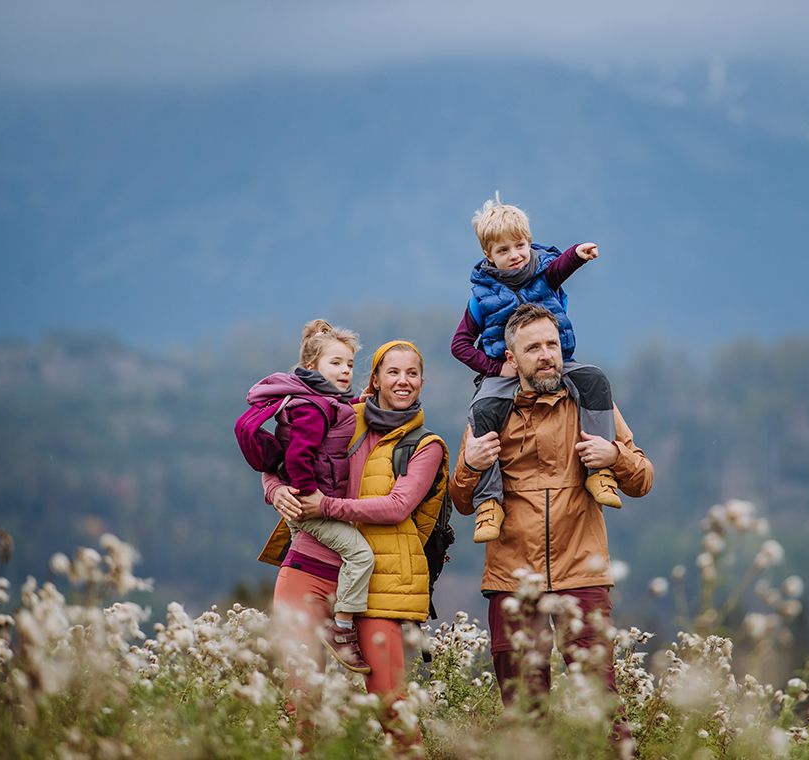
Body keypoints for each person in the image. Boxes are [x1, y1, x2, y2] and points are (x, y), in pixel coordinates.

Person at [449, 304, 653, 751]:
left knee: (600, 703)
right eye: (533, 348)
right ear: (512, 357)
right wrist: (469, 464)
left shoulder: (591, 403)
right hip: (511, 578)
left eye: (552, 345)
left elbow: (642, 479)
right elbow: (462, 502)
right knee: (524, 710)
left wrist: (613, 457)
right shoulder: (488, 411)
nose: (546, 356)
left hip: (582, 573)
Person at [259, 340, 448, 738]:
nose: (403, 381)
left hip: (377, 583)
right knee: (300, 696)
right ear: (375, 379)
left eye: (411, 373)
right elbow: (280, 457)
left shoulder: (426, 446)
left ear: (422, 382)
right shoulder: (340, 416)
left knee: (389, 701)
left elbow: (398, 506)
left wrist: (325, 506)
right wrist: (274, 489)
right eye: (392, 372)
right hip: (308, 567)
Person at [450, 194, 622, 545]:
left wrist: (578, 253)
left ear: (530, 243)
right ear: (489, 256)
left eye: (520, 245)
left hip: (557, 364)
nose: (515, 255)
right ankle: (489, 503)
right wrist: (496, 369)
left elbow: (562, 266)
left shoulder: (545, 272)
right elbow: (460, 344)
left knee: (595, 381)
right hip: (507, 372)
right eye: (504, 250)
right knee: (481, 410)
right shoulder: (481, 296)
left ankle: (598, 470)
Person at [241, 319, 374, 673]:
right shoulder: (313, 407)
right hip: (312, 511)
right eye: (336, 363)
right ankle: (342, 629)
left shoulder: (323, 402)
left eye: (349, 364)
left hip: (310, 512)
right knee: (361, 555)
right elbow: (296, 456)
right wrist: (307, 494)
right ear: (312, 367)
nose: (346, 370)